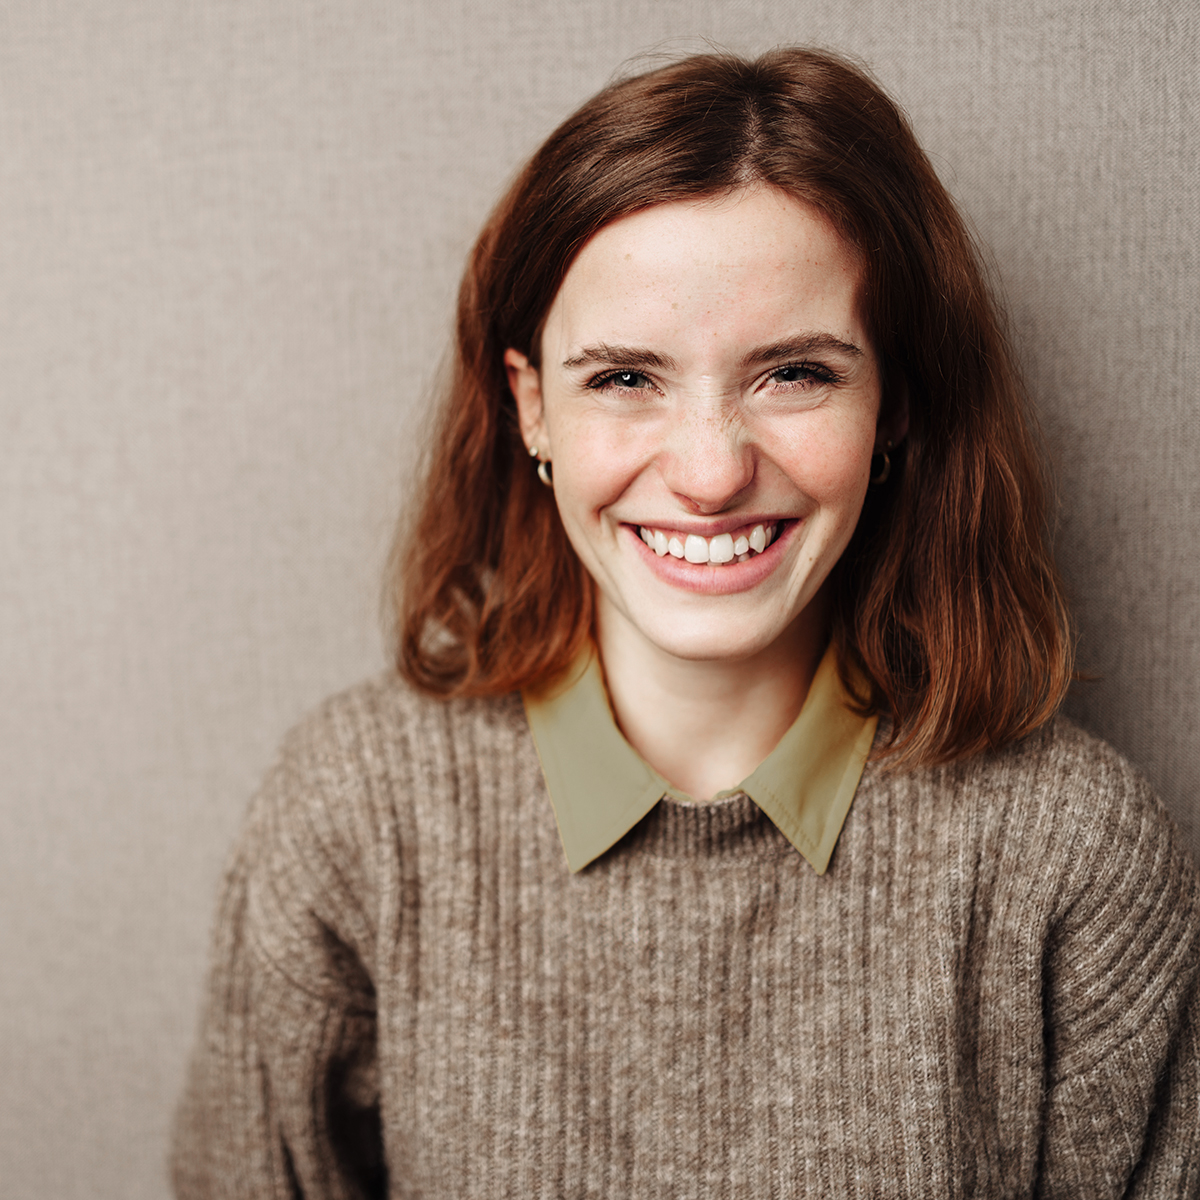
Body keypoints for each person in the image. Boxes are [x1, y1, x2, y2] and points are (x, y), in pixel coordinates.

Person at [172, 47, 1200, 1198]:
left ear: (894, 405)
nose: (710, 474)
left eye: (795, 373)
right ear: (531, 407)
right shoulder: (357, 817)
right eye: (624, 379)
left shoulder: (1074, 858)